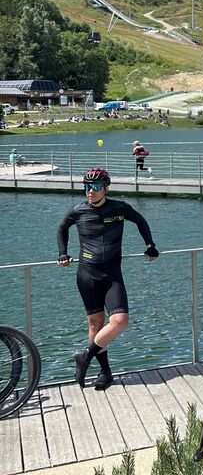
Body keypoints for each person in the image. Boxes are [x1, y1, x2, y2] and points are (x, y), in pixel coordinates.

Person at [56, 167, 160, 390]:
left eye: (95, 187)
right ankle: (105, 372)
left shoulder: (119, 208)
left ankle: (85, 356)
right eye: (87, 187)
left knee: (120, 321)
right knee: (95, 324)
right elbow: (62, 227)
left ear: (106, 189)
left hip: (112, 274)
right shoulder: (78, 210)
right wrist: (63, 253)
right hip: (87, 274)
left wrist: (150, 245)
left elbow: (140, 221)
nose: (90, 191)